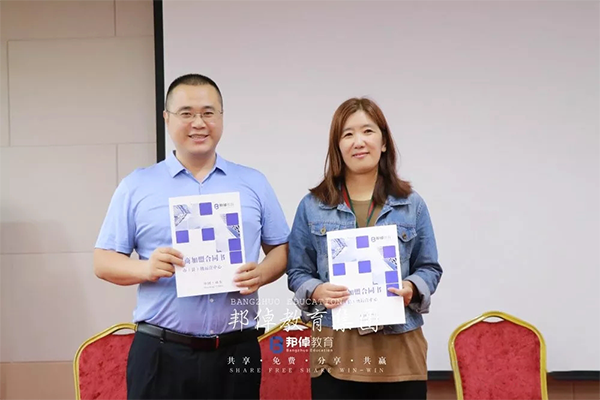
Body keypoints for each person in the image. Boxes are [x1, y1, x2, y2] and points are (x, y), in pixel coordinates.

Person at [94, 73, 289, 400]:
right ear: (167, 118)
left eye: (208, 113)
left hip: (236, 349)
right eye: (186, 113)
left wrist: (263, 273)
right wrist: (146, 268)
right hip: (162, 352)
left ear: (221, 117)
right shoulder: (137, 186)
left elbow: (281, 249)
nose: (199, 123)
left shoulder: (253, 182)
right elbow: (103, 262)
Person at [286, 97, 442, 399]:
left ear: (383, 142)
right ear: (338, 146)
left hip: (399, 352)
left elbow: (429, 268)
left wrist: (412, 287)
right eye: (348, 134)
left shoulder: (411, 204)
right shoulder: (312, 206)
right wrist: (317, 291)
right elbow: (297, 272)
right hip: (335, 351)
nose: (359, 141)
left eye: (368, 131)